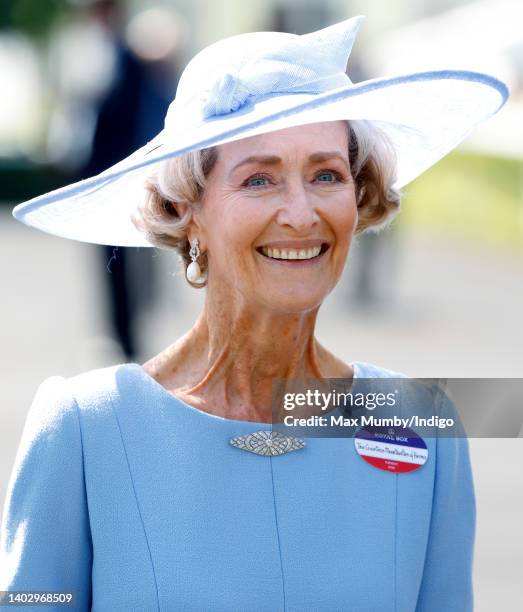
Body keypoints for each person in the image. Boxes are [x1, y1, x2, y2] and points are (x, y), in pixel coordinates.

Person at [1, 15, 508, 611]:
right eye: (260, 179)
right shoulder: (85, 427)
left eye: (326, 174)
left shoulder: (421, 426)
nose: (301, 213)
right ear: (186, 210)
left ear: (359, 195)